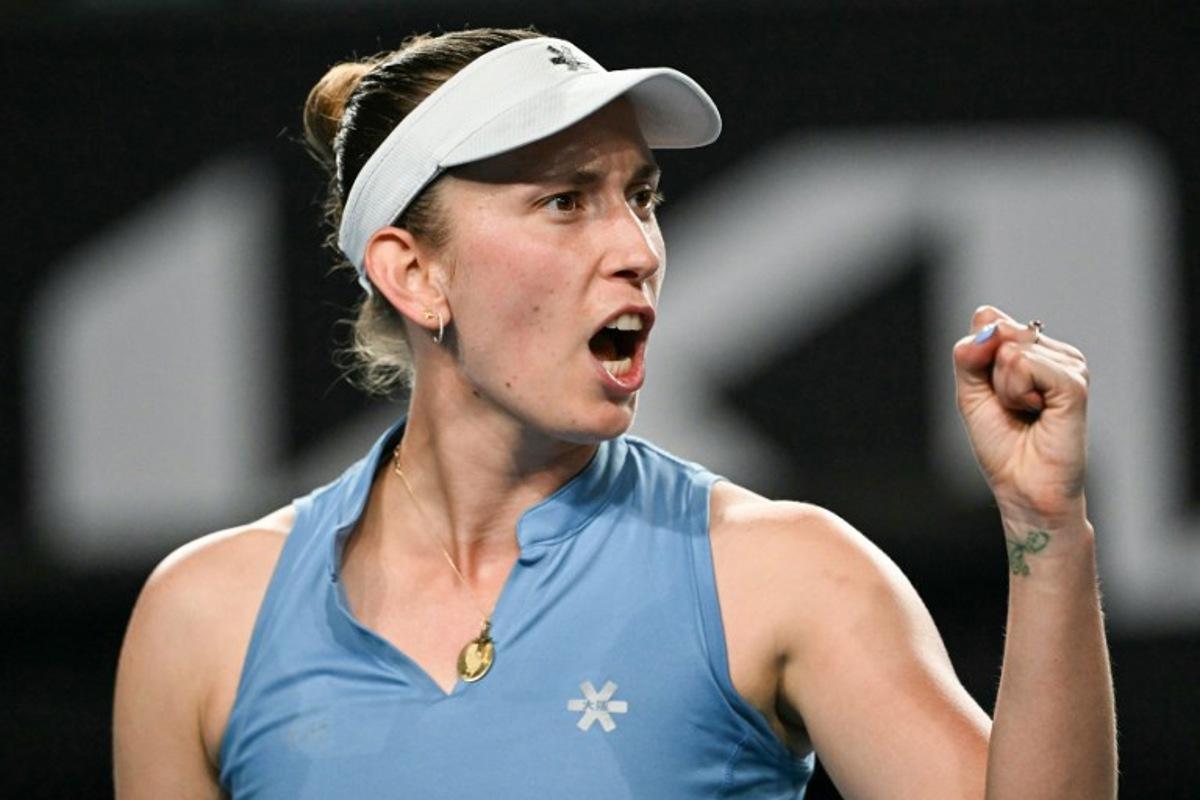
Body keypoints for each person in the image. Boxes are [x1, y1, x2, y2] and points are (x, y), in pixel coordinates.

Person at [112, 27, 1117, 799]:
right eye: (565, 201)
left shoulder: (787, 572)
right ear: (413, 275)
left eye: (641, 196)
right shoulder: (204, 618)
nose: (637, 249)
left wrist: (1047, 527)